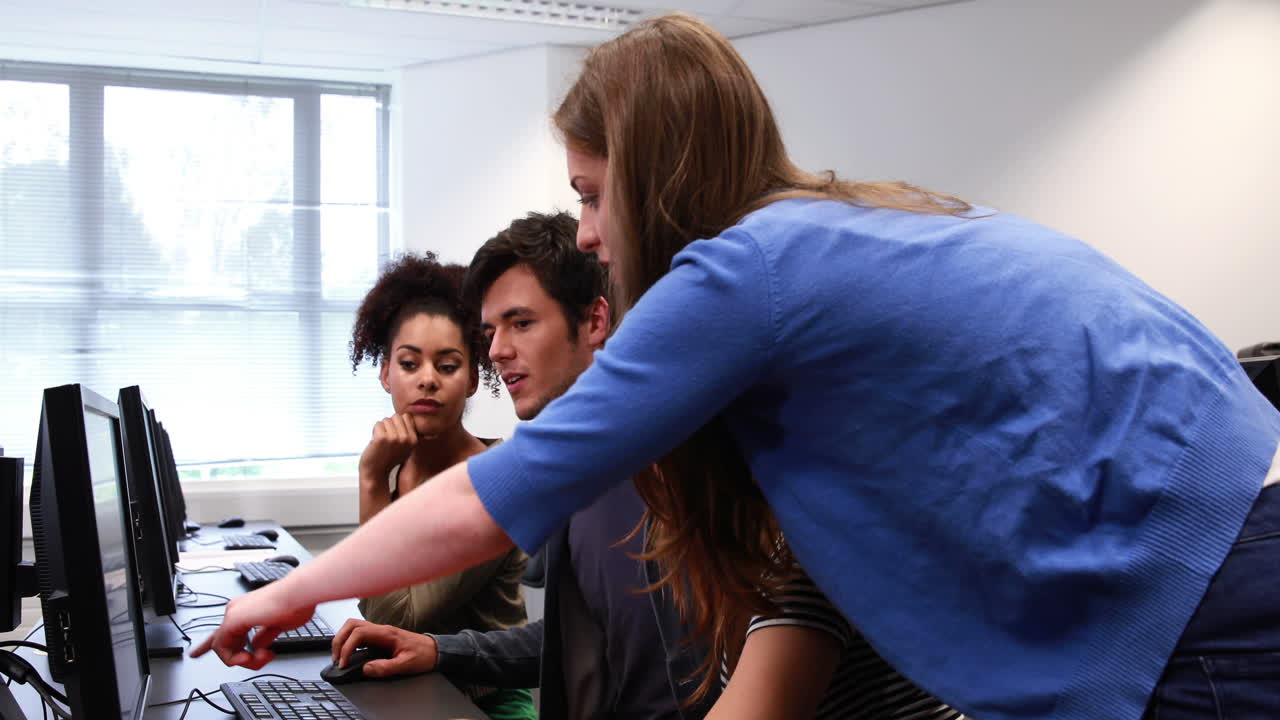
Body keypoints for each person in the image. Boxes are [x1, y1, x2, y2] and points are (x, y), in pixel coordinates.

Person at [196, 13, 1280, 720]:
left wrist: (284, 596)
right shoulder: (842, 217)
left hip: (1205, 580)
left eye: (588, 191)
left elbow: (494, 500)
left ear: (656, 177)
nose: (583, 230)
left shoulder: (741, 270)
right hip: (1231, 511)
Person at [333, 211, 713, 720]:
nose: (497, 349)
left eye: (522, 323)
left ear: (595, 322)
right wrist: (439, 650)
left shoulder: (662, 462)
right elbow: (562, 640)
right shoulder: (566, 470)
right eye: (490, 331)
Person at [347, 253, 533, 720]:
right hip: (413, 696)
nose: (427, 379)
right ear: (386, 373)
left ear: (473, 377)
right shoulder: (396, 466)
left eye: (447, 366)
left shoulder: (492, 483)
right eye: (410, 364)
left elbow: (392, 619)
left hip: (486, 704)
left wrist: (370, 483)